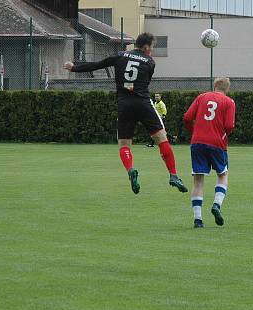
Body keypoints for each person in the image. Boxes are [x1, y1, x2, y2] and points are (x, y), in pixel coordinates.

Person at [63, 33, 187, 194]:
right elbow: (145, 81)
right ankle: (173, 175)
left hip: (124, 104)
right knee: (162, 140)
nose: (152, 50)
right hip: (143, 103)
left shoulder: (119, 55)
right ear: (146, 47)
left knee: (124, 145)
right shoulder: (150, 62)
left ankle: (130, 170)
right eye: (152, 47)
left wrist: (74, 67)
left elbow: (97, 65)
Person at [183, 77, 236, 228]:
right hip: (217, 143)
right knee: (223, 175)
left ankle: (198, 220)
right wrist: (224, 134)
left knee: (198, 181)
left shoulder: (201, 97)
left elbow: (187, 117)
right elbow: (229, 125)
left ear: (214, 86)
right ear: (227, 89)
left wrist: (193, 132)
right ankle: (217, 205)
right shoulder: (229, 102)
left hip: (197, 142)